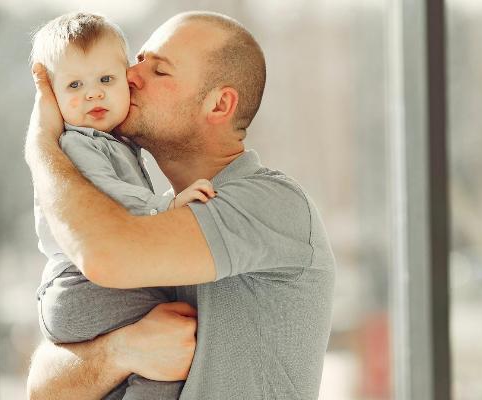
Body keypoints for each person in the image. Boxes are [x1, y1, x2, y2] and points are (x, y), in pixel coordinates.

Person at [25, 10, 336, 400]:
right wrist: (120, 353)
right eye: (137, 61)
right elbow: (42, 387)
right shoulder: (155, 217)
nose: (130, 76)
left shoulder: (273, 205)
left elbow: (102, 255)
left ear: (219, 105)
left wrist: (43, 145)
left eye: (159, 71)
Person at [29, 12, 215, 399]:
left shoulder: (116, 143)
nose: (93, 93)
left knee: (130, 372)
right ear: (51, 96)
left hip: (85, 290)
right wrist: (166, 207)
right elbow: (107, 194)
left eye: (106, 80)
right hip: (83, 286)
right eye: (75, 84)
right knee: (170, 350)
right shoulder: (78, 145)